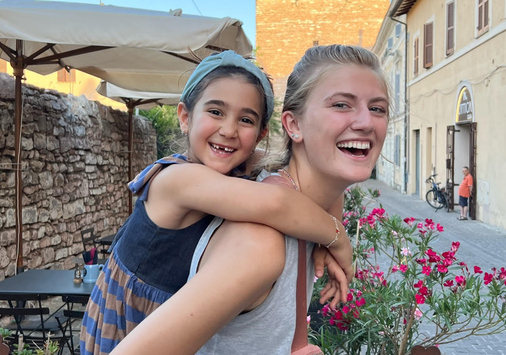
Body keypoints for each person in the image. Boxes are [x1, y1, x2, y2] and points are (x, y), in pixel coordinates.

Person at [110, 44, 390, 355]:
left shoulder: (255, 176)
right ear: (292, 125)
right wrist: (338, 238)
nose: (366, 122)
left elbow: (290, 179)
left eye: (378, 108)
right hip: (124, 319)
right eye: (341, 104)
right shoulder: (251, 238)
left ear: (258, 135)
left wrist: (330, 229)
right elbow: (276, 203)